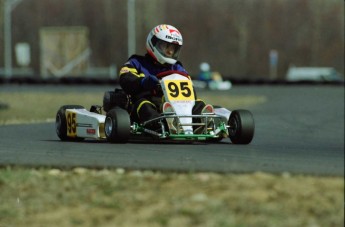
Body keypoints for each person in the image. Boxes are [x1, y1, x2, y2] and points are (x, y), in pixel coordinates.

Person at [118, 24, 208, 130]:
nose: (170, 51)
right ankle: (160, 126)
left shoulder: (177, 67)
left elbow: (190, 91)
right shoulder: (137, 62)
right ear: (153, 43)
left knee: (199, 104)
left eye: (173, 48)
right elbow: (125, 78)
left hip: (175, 105)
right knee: (144, 105)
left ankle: (204, 123)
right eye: (166, 46)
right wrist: (143, 82)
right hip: (148, 105)